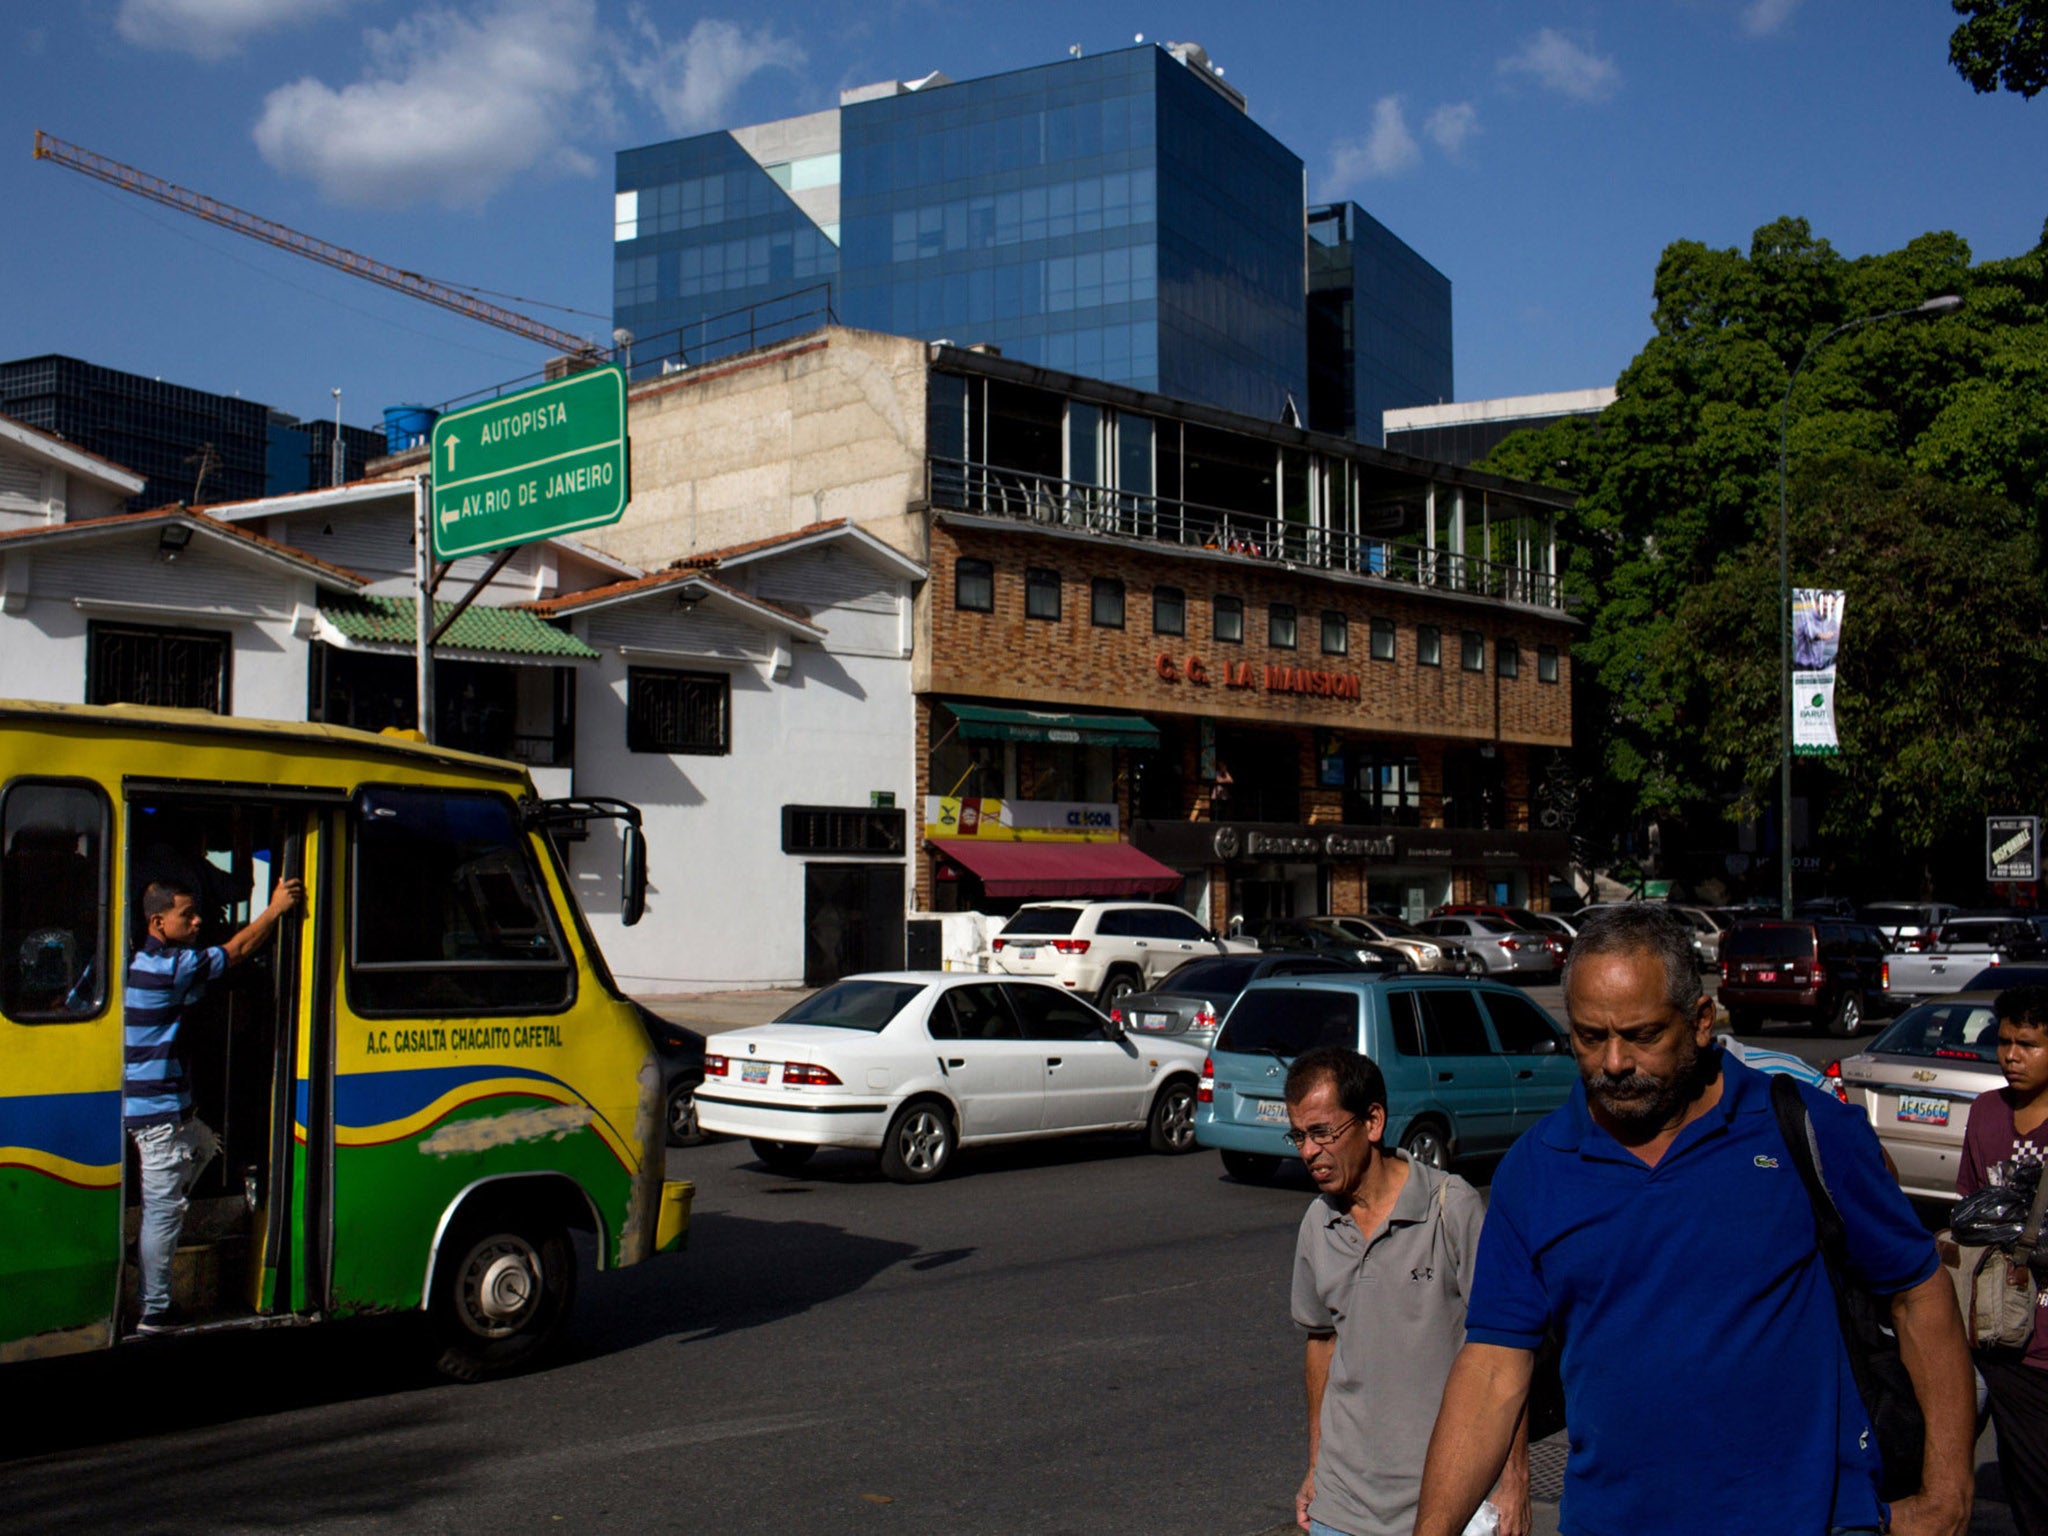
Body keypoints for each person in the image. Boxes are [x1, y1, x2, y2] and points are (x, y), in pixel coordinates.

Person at [1413, 902, 1974, 1536]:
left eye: (1643, 1034)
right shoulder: (1534, 1169)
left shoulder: (1805, 1129)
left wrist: (1948, 1494)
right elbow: (1491, 1368)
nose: (1615, 1062)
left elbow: (1918, 1292)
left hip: (1810, 1518)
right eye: (1590, 1036)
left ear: (1701, 1021)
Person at [1286, 1045, 1529, 1536]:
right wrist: (1315, 1465)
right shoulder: (1318, 1221)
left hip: (1448, 1507)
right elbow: (1321, 1341)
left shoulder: (1450, 1207)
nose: (1308, 1151)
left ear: (1372, 1122)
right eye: (1298, 1136)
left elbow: (1504, 1349)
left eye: (1322, 1133)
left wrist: (1514, 1480)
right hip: (1342, 1509)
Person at [126, 873, 303, 1333]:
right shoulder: (168, 968)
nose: (198, 919)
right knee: (164, 1211)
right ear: (159, 921)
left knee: (205, 1145)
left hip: (170, 1112)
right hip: (160, 1114)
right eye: (188, 915)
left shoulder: (144, 963)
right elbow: (238, 951)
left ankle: (149, 1245)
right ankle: (154, 1309)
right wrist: (276, 908)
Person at [1958, 983, 2048, 1534]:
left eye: (2030, 1044)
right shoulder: (1986, 1112)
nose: (2012, 1056)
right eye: (2006, 1042)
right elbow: (1967, 1212)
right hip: (1995, 1338)